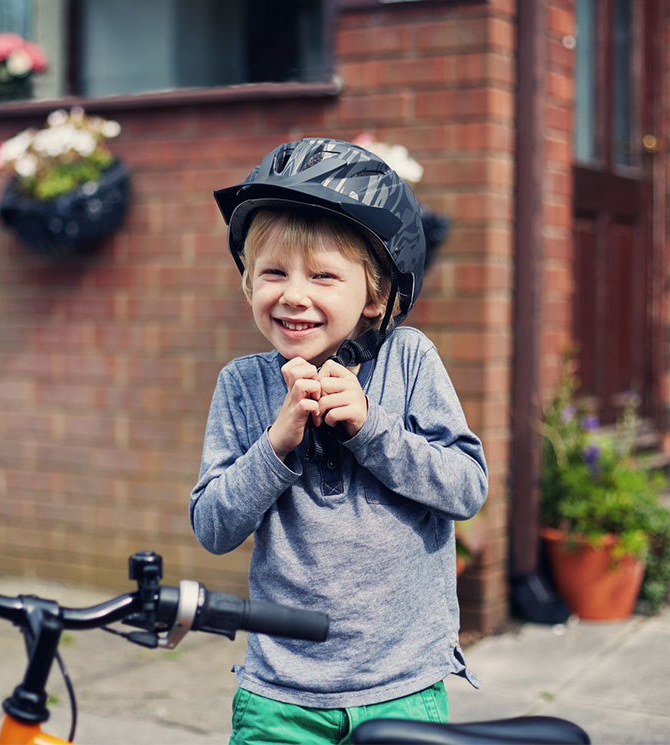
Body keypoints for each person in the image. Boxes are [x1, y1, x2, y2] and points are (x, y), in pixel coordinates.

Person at [190, 137, 488, 745]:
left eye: (323, 276)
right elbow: (213, 527)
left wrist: (372, 427)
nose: (294, 294)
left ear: (376, 296)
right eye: (273, 272)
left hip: (402, 686)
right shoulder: (243, 386)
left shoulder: (410, 362)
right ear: (249, 283)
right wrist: (274, 446)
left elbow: (466, 487)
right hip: (281, 695)